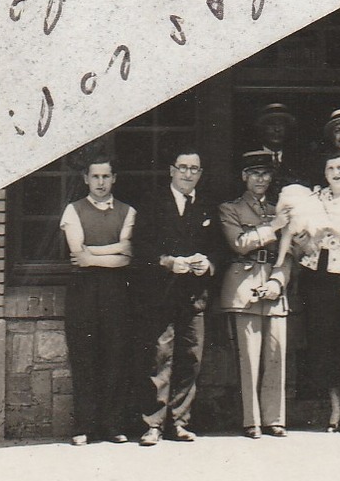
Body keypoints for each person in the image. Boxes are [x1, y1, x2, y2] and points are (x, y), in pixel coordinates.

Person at [277, 150, 340, 433]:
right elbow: (302, 234)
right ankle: (334, 405)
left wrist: (334, 228)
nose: (336, 172)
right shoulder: (317, 198)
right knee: (324, 345)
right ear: (324, 172)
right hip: (317, 276)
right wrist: (304, 237)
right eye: (330, 167)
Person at [131, 147, 222, 446]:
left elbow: (219, 248)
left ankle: (179, 422)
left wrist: (206, 263)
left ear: (200, 174)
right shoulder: (153, 203)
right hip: (161, 294)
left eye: (194, 169)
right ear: (171, 170)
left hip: (194, 296)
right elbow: (141, 248)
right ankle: (153, 424)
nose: (187, 174)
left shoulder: (207, 206)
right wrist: (169, 262)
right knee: (160, 357)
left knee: (191, 358)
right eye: (182, 167)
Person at [60, 150, 135, 446]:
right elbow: (78, 253)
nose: (101, 182)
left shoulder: (128, 212)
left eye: (106, 176)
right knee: (84, 358)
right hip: (83, 292)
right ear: (86, 179)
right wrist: (113, 250)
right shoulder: (73, 210)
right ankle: (83, 426)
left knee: (115, 357)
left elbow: (128, 257)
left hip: (116, 292)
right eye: (95, 176)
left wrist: (94, 255)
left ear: (114, 178)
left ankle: (113, 425)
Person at [218, 150, 290, 439]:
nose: (261, 179)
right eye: (255, 173)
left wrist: (278, 281)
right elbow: (238, 243)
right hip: (244, 286)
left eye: (266, 173)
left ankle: (275, 418)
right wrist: (272, 227)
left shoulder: (278, 208)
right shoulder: (231, 209)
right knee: (248, 357)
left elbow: (289, 253)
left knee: (276, 354)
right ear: (244, 176)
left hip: (273, 286)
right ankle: (252, 420)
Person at [250, 102, 301, 188]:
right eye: (271, 124)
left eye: (282, 125)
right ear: (262, 128)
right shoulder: (250, 159)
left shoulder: (299, 160)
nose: (277, 129)